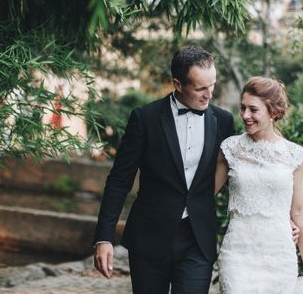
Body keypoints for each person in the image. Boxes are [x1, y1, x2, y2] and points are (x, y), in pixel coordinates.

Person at [93, 46, 234, 294]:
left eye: (212, 85)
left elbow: (236, 176)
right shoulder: (144, 119)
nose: (209, 94)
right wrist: (104, 237)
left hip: (197, 240)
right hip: (149, 239)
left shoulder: (223, 121)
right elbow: (119, 180)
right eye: (201, 88)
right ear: (177, 84)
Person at [215, 77, 303, 293]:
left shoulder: (294, 156)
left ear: (273, 112)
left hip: (279, 253)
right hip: (238, 253)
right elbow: (205, 195)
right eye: (242, 108)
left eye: (253, 109)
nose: (245, 115)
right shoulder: (230, 149)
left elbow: (298, 211)